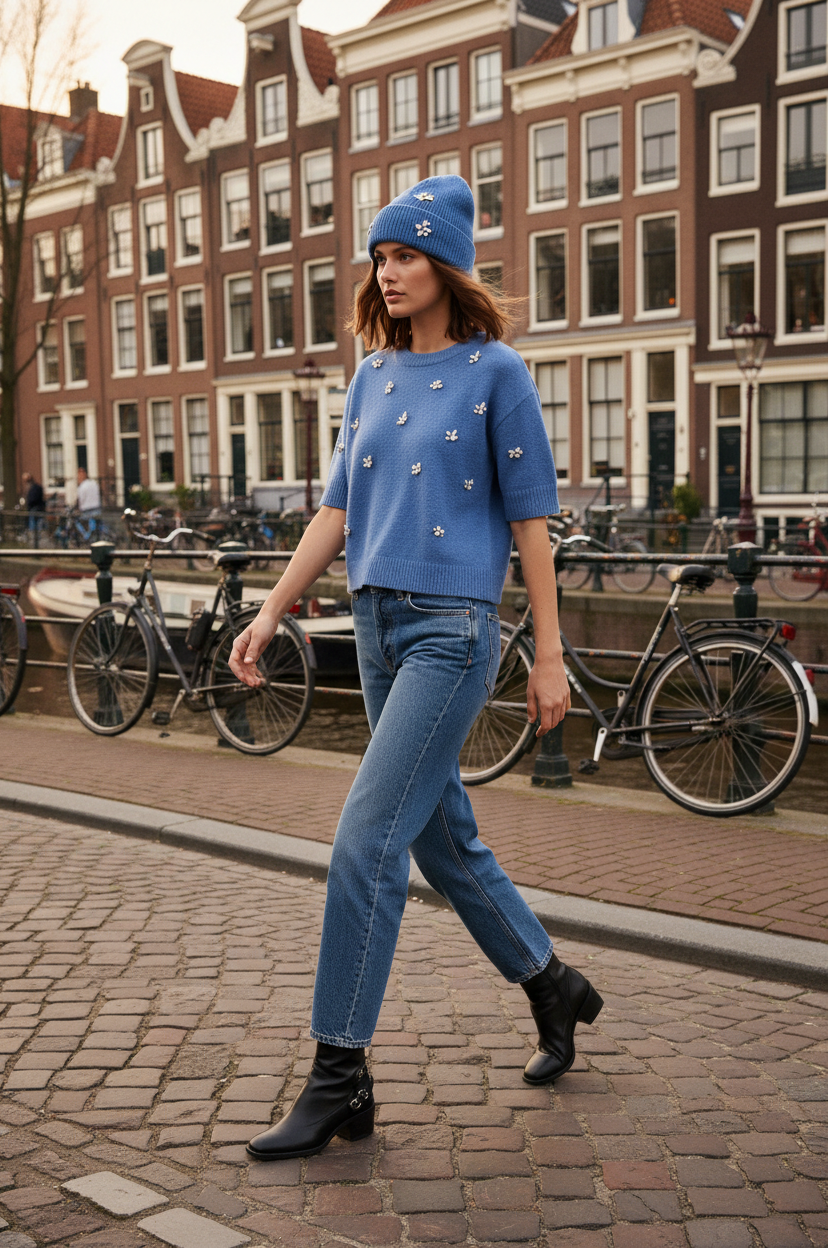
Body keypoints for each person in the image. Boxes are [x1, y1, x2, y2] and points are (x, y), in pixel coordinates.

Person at [229, 175, 604, 1162]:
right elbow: (336, 512)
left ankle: (339, 1075)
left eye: (404, 254)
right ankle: (549, 983)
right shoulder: (369, 377)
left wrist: (549, 655)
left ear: (446, 264)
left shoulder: (498, 373)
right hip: (374, 626)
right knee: (442, 843)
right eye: (379, 257)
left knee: (365, 842)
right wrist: (271, 609)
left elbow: (531, 522)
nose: (387, 272)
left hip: (450, 633)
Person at [22, 472, 45, 539]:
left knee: (35, 524)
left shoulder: (34, 488)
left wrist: (29, 503)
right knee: (35, 523)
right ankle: (36, 539)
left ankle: (36, 540)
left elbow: (33, 499)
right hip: (34, 508)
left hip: (35, 508)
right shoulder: (30, 487)